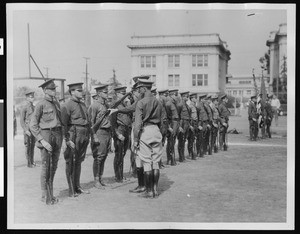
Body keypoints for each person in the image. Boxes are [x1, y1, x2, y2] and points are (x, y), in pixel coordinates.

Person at [30, 79, 63, 205]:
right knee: (46, 166)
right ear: (44, 90)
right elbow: (33, 125)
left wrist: (63, 138)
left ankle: (51, 193)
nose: (54, 91)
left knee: (53, 166)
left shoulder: (57, 104)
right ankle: (45, 194)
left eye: (55, 89)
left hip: (57, 135)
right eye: (51, 89)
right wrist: (42, 141)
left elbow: (61, 122)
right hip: (46, 135)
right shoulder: (40, 104)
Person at [133, 80, 163, 198]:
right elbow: (162, 120)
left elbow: (138, 124)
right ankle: (155, 190)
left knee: (146, 162)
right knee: (155, 162)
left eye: (140, 88)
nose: (139, 90)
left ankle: (149, 191)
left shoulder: (140, 102)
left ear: (144, 89)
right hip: (156, 130)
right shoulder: (158, 102)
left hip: (145, 131)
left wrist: (136, 138)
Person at [61, 83, 90, 197]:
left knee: (78, 162)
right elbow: (63, 124)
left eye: (81, 90)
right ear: (72, 92)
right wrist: (67, 139)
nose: (81, 92)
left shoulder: (83, 104)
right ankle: (71, 189)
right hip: (73, 134)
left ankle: (77, 186)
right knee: (71, 162)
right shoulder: (66, 105)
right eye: (78, 90)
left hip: (83, 134)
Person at [90, 84, 111, 189]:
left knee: (104, 156)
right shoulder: (94, 106)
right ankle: (96, 180)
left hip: (107, 133)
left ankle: (101, 178)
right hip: (99, 132)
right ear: (99, 93)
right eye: (105, 92)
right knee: (98, 157)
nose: (107, 94)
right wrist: (94, 136)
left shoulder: (106, 105)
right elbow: (91, 123)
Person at [111, 86, 132, 183]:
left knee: (123, 153)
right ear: (117, 94)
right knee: (118, 154)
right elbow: (112, 122)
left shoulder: (125, 105)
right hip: (119, 129)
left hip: (126, 129)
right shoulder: (115, 105)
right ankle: (118, 176)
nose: (124, 95)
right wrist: (117, 134)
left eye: (125, 93)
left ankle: (121, 175)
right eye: (122, 93)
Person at [20, 90, 36, 167]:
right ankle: (29, 163)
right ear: (27, 98)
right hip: (27, 129)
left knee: (32, 145)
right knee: (28, 146)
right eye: (31, 97)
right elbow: (21, 120)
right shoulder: (24, 107)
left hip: (33, 129)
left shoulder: (34, 107)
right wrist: (26, 130)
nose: (32, 98)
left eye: (33, 97)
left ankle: (32, 161)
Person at [165, 89, 180, 165]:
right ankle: (169, 159)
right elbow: (166, 117)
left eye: (176, 94)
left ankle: (172, 158)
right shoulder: (168, 104)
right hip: (171, 123)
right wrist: (168, 127)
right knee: (170, 142)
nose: (176, 96)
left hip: (176, 123)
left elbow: (178, 115)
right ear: (171, 95)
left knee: (173, 141)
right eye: (174, 95)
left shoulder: (176, 103)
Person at [177, 91, 191, 162]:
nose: (187, 97)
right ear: (182, 97)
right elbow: (177, 116)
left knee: (184, 140)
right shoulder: (180, 105)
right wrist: (179, 126)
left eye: (188, 96)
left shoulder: (186, 105)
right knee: (181, 141)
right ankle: (181, 157)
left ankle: (183, 157)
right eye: (186, 96)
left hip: (186, 123)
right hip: (182, 123)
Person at [187, 93, 198, 160]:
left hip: (195, 123)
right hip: (191, 123)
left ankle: (193, 153)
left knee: (193, 139)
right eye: (195, 98)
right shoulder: (190, 106)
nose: (196, 99)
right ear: (191, 99)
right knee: (190, 140)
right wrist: (190, 125)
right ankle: (190, 153)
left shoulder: (194, 106)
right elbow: (188, 117)